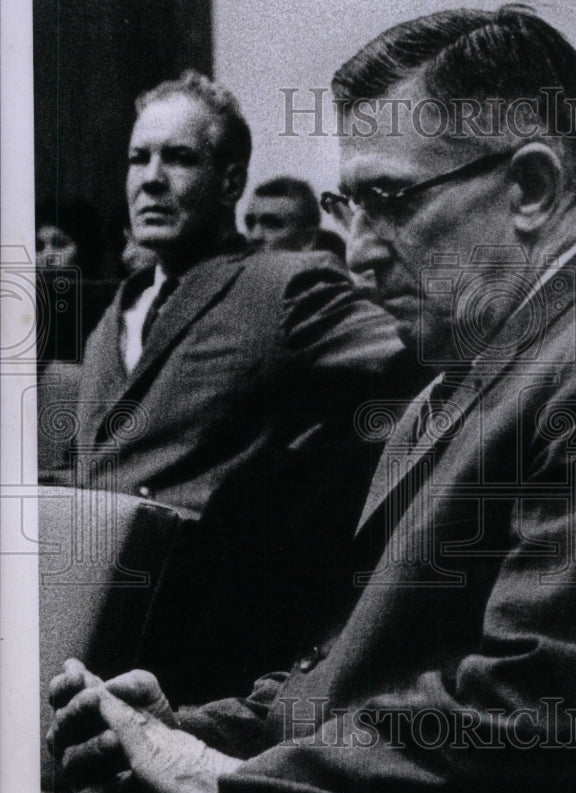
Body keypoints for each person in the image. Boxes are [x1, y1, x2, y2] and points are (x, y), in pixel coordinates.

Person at [48, 8, 576, 793]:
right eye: (345, 205)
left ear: (531, 189)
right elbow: (361, 677)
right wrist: (194, 731)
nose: (357, 254)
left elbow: (543, 715)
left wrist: (237, 776)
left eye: (389, 201)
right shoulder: (472, 368)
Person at [70, 71, 408, 516]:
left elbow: (420, 362)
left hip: (198, 574)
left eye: (179, 158)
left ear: (230, 184)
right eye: (138, 158)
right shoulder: (117, 311)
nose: (150, 179)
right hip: (87, 571)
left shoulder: (287, 284)